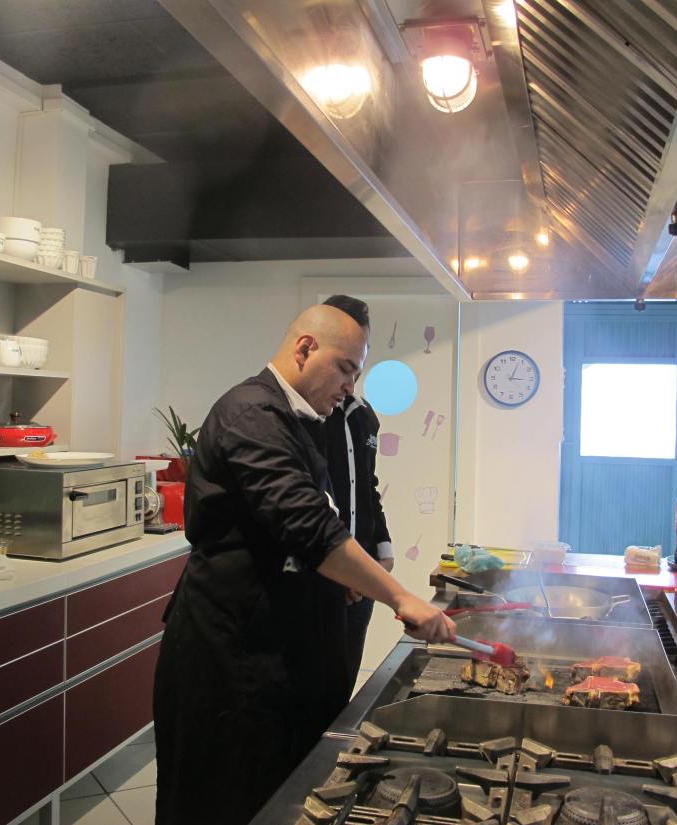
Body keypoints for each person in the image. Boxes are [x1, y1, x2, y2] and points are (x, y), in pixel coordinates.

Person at [153, 304, 454, 825]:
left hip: (278, 651)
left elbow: (317, 516)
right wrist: (400, 596)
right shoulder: (251, 414)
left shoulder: (303, 421)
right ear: (305, 348)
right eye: (345, 369)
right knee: (222, 803)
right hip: (232, 659)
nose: (350, 387)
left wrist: (339, 577)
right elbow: (308, 524)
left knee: (280, 798)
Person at [321, 295, 394, 684]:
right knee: (319, 684)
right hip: (325, 572)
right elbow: (313, 499)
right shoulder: (313, 416)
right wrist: (342, 569)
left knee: (345, 681)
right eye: (345, 364)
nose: (350, 380)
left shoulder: (366, 417)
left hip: (361, 574)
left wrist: (382, 545)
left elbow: (367, 484)